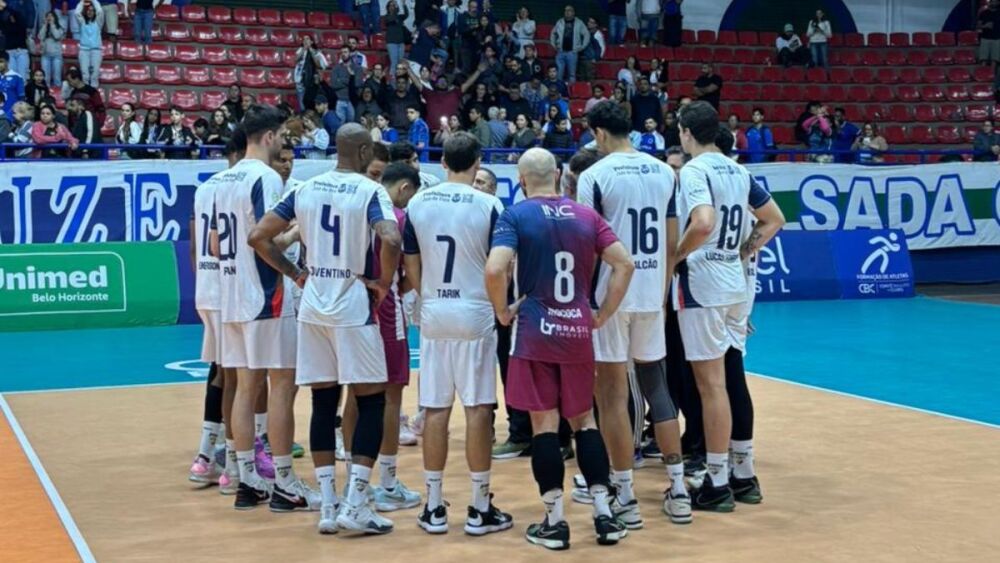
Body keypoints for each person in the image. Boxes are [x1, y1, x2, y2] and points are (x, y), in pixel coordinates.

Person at [249, 122, 399, 534]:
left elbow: (259, 236)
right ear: (365, 150)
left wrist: (297, 274)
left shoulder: (305, 188)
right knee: (370, 400)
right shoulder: (371, 191)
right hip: (352, 301)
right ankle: (357, 502)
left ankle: (329, 507)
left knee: (322, 402)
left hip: (313, 302)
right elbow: (391, 236)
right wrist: (383, 283)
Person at [485, 147, 635, 550]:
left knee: (544, 427)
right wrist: (602, 312)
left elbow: (495, 268)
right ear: (560, 175)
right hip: (577, 334)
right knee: (585, 421)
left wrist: (502, 311)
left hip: (535, 333)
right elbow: (626, 264)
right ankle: (605, 515)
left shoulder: (515, 215)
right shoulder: (587, 216)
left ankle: (554, 521)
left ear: (520, 180)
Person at [576, 100, 688, 528]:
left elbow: (588, 242)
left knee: (611, 395)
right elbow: (672, 236)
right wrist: (661, 285)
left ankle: (624, 493)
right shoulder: (663, 170)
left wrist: (589, 303)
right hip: (650, 291)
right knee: (656, 386)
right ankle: (677, 488)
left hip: (610, 296)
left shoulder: (594, 176)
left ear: (600, 134)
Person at [674, 100, 785, 510]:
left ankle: (717, 482)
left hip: (704, 283)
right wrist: (741, 252)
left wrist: (675, 256)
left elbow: (702, 222)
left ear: (686, 132)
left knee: (711, 386)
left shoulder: (695, 170)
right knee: (734, 375)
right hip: (735, 284)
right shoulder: (739, 170)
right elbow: (773, 218)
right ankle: (744, 474)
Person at [403, 132, 513, 536]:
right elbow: (501, 266)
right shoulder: (489, 204)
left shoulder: (418, 201)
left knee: (434, 408)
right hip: (475, 309)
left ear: (443, 161)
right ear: (478, 161)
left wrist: (428, 294)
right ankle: (479, 506)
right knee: (479, 408)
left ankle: (433, 506)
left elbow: (410, 263)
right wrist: (499, 308)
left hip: (434, 309)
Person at [213, 106, 314, 515]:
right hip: (264, 293)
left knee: (244, 384)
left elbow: (222, 243)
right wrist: (294, 272)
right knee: (282, 384)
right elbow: (261, 238)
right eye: (283, 138)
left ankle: (246, 479)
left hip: (230, 293)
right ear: (270, 137)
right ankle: (286, 483)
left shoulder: (220, 179)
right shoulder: (267, 177)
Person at [187, 135, 245, 486]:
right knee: (236, 375)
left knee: (221, 370)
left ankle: (214, 452)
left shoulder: (204, 189)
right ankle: (223, 458)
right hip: (229, 289)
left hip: (208, 289)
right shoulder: (242, 186)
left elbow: (196, 248)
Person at [549, 5, 588, 84]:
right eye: (565, 10)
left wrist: (582, 46)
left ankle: (571, 94)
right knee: (558, 74)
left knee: (572, 75)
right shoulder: (560, 22)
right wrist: (553, 44)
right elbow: (553, 33)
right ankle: (559, 91)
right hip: (560, 52)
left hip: (572, 52)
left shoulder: (579, 22)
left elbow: (586, 34)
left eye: (569, 10)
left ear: (573, 12)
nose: (567, 12)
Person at [294, 35, 329, 112]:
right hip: (300, 81)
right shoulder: (300, 50)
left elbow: (319, 65)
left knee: (311, 103)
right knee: (302, 103)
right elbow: (296, 60)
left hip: (312, 82)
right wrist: (304, 49)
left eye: (307, 39)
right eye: (303, 39)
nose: (305, 41)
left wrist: (311, 51)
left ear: (312, 42)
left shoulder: (317, 52)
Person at [73, 0, 103, 87]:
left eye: (92, 10)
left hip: (96, 50)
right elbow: (76, 13)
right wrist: (82, 1)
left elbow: (100, 11)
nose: (90, 12)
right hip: (84, 50)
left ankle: (93, 93)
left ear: (94, 12)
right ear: (85, 12)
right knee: (85, 73)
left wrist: (93, 1)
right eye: (88, 10)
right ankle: (85, 92)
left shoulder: (98, 22)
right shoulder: (82, 22)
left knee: (95, 74)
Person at [331, 46, 362, 125]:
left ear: (350, 53)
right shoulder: (336, 68)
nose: (343, 54)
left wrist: (341, 80)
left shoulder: (357, 68)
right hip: (339, 100)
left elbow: (357, 83)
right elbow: (334, 84)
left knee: (351, 127)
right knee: (340, 126)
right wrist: (350, 78)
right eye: (342, 52)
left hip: (352, 101)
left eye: (345, 52)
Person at [0, 0, 29, 79]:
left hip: (21, 50)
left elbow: (16, 15)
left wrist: (5, 7)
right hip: (9, 51)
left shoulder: (19, 19)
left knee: (22, 77)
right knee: (11, 77)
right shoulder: (3, 23)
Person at [37, 10, 64, 88]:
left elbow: (56, 36)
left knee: (57, 78)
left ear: (55, 18)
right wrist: (45, 25)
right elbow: (40, 37)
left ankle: (58, 96)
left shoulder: (59, 28)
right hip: (45, 56)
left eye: (51, 16)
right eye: (47, 16)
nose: (49, 18)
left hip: (57, 56)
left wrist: (52, 25)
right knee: (45, 78)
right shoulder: (44, 27)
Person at [383, 0, 410, 74]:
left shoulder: (399, 17)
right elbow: (392, 19)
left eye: (393, 5)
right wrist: (397, 8)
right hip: (391, 42)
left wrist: (404, 5)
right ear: (388, 7)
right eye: (391, 5)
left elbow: (407, 14)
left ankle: (400, 79)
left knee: (400, 63)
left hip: (401, 42)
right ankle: (392, 83)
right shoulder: (386, 17)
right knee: (394, 63)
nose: (392, 7)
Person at [579, 17, 605, 81]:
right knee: (581, 78)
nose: (588, 23)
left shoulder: (597, 35)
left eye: (591, 22)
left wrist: (596, 58)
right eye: (588, 22)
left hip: (590, 60)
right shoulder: (586, 32)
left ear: (596, 25)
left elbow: (601, 48)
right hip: (582, 58)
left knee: (590, 78)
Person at [0, 51, 23, 118]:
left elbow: (21, 100)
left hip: (11, 117)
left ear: (7, 62)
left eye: (1, 62)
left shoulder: (17, 77)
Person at [978, 0, 1000, 67]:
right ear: (989, 3)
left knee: (995, 60)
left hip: (997, 38)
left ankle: (992, 76)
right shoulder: (984, 13)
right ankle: (983, 75)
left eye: (995, 1)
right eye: (992, 1)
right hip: (985, 38)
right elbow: (978, 26)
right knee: (983, 59)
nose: (994, 3)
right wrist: (985, 26)